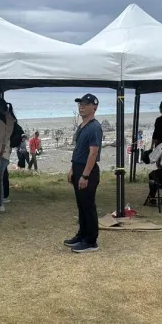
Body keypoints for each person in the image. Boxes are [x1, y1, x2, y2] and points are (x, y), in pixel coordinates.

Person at [64, 94, 103, 253]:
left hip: (88, 170)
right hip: (78, 167)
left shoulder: (94, 127)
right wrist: (73, 169)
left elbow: (93, 153)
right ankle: (82, 234)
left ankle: (91, 241)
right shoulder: (82, 126)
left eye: (86, 104)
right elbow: (78, 150)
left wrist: (85, 175)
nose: (81, 106)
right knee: (81, 205)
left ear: (94, 107)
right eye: (80, 103)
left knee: (88, 205)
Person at [0, 98, 16, 208]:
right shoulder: (10, 117)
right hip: (5, 151)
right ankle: (1, 200)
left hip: (2, 151)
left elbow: (3, 136)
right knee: (0, 177)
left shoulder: (5, 119)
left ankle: (0, 203)